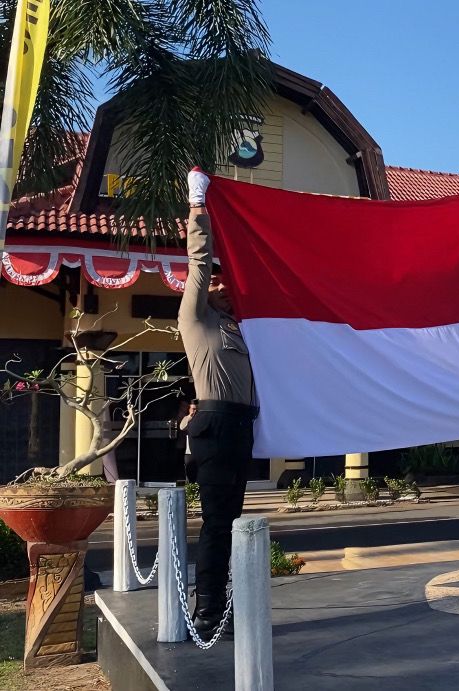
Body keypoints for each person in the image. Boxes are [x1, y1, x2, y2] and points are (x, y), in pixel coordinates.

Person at [178, 168, 258, 636]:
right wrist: (198, 206)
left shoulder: (239, 330)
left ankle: (221, 602)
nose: (221, 286)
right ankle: (208, 611)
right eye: (216, 283)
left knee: (230, 522)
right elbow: (199, 263)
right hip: (214, 427)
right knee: (214, 524)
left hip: (242, 428)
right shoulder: (198, 319)